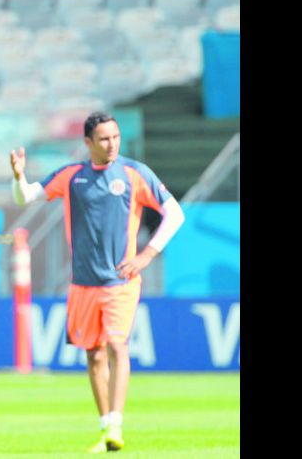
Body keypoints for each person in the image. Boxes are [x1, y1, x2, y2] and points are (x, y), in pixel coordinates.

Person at [10, 111, 185, 453]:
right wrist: (18, 177)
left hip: (120, 281)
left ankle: (116, 424)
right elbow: (24, 197)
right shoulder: (73, 175)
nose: (112, 144)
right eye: (104, 139)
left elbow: (174, 213)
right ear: (88, 143)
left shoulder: (134, 173)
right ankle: (106, 428)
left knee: (117, 345)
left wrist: (146, 256)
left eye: (116, 137)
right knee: (94, 354)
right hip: (83, 284)